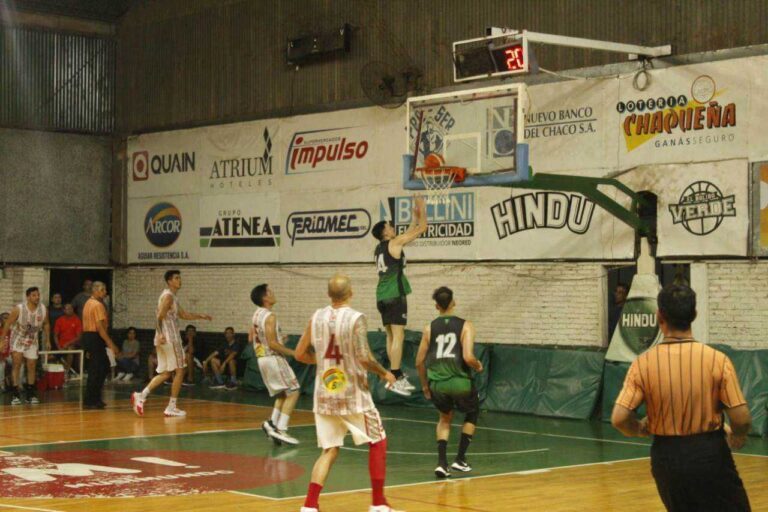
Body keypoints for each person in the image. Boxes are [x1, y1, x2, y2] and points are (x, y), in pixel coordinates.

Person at [611, 283, 752, 512]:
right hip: (709, 453)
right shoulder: (717, 360)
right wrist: (737, 435)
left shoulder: (642, 364)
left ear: (659, 316)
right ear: (694, 315)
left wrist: (638, 428)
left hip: (666, 457)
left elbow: (619, 419)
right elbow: (742, 418)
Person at [295, 274, 401, 512]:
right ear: (350, 293)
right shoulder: (356, 318)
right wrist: (385, 373)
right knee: (378, 441)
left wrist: (321, 361)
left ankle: (310, 506)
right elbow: (363, 357)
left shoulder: (316, 317)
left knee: (329, 449)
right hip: (353, 395)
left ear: (328, 294)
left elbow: (299, 354)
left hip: (324, 394)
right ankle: (378, 503)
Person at [415, 286, 483, 478]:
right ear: (454, 302)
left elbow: (419, 361)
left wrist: (425, 385)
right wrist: (478, 365)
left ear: (436, 306)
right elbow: (468, 357)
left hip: (438, 384)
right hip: (460, 382)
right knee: (472, 412)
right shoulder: (466, 325)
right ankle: (460, 459)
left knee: (444, 418)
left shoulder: (429, 328)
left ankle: (441, 464)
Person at [132, 270, 212, 417]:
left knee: (167, 373)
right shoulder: (168, 296)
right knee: (180, 370)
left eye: (180, 278)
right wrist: (161, 333)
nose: (179, 280)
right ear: (169, 281)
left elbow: (184, 315)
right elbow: (158, 316)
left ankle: (141, 395)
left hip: (163, 339)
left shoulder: (172, 297)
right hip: (169, 338)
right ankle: (171, 406)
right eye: (176, 278)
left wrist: (200, 316)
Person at [371, 195, 427, 396]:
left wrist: (414, 215)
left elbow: (409, 232)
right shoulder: (393, 243)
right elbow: (421, 230)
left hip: (381, 295)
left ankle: (394, 374)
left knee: (390, 335)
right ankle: (395, 375)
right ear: (385, 232)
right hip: (395, 294)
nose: (392, 227)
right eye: (389, 225)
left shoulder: (379, 248)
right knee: (399, 335)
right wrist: (423, 209)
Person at [250, 284, 301, 446]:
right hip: (273, 358)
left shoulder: (256, 315)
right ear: (265, 298)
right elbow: (272, 344)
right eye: (270, 292)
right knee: (294, 391)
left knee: (282, 394)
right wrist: (293, 352)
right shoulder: (270, 316)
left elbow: (253, 339)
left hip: (261, 358)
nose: (273, 293)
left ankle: (271, 423)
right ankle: (281, 429)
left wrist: (279, 338)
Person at [3, 288, 50, 405]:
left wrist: (48, 339)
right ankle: (15, 392)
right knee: (17, 364)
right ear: (28, 297)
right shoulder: (18, 309)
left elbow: (47, 323)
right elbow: (8, 323)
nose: (37, 297)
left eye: (38, 295)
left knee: (31, 365)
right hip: (18, 338)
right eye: (34, 295)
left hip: (32, 339)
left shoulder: (43, 309)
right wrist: (2, 340)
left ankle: (30, 393)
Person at [81, 282, 120, 409]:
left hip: (88, 336)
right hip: (95, 337)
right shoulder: (98, 305)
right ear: (95, 291)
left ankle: (93, 398)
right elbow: (100, 327)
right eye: (102, 290)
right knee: (98, 369)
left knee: (99, 368)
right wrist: (111, 344)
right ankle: (91, 399)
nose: (105, 292)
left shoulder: (88, 303)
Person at [53, 303, 83, 378]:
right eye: (68, 309)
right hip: (60, 345)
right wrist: (58, 346)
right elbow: (55, 335)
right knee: (49, 356)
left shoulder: (77, 320)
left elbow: (79, 337)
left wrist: (68, 343)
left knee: (70, 349)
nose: (70, 310)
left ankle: (66, 371)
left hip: (73, 344)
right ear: (64, 310)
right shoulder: (59, 320)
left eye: (71, 309)